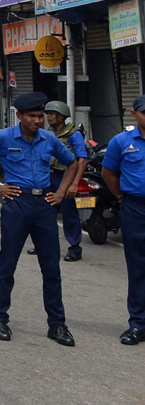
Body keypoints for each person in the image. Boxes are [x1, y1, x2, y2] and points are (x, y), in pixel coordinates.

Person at [0, 92, 79, 345]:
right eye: (32, 116)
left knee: (51, 267)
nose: (38, 120)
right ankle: (0, 319)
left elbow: (72, 163)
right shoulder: (3, 137)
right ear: (19, 116)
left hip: (45, 205)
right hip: (17, 203)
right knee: (7, 264)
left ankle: (57, 325)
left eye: (41, 116)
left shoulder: (49, 139)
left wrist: (60, 192)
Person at [100, 95, 145, 345]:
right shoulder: (121, 142)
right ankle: (138, 324)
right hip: (135, 209)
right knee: (137, 268)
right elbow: (108, 172)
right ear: (134, 114)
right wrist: (120, 196)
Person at [29, 101, 87, 263]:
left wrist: (74, 183)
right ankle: (43, 244)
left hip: (65, 177)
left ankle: (75, 248)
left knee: (69, 214)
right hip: (48, 177)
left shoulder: (74, 134)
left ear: (61, 116)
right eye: (47, 114)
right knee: (44, 213)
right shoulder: (47, 133)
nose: (48, 117)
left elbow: (82, 160)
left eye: (52, 114)